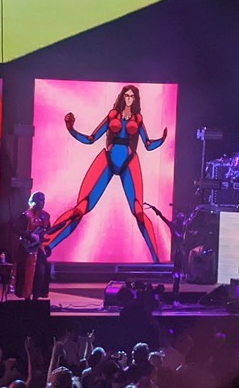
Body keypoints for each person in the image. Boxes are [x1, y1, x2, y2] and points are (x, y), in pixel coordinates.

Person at [48, 85, 168, 262]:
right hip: (107, 159)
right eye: (126, 95)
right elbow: (91, 139)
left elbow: (148, 145)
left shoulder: (138, 119)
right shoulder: (112, 115)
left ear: (136, 99)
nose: (129, 99)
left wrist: (162, 140)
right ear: (122, 97)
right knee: (81, 208)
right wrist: (71, 129)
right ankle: (46, 245)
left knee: (138, 212)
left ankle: (157, 261)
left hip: (129, 161)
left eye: (132, 96)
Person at [16, 192, 52, 301]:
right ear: (34, 201)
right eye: (40, 200)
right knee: (27, 274)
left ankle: (36, 298)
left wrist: (47, 245)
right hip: (27, 249)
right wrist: (30, 236)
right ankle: (27, 298)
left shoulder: (45, 216)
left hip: (40, 248)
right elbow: (17, 229)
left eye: (44, 200)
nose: (43, 202)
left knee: (41, 272)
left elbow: (47, 232)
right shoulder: (26, 216)